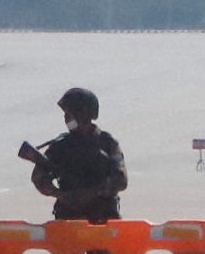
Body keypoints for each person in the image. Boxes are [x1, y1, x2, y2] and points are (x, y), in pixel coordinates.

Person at [22, 86, 127, 222]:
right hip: (68, 218)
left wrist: (92, 192)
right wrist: (61, 195)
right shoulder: (60, 146)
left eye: (69, 115)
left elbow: (121, 180)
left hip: (104, 217)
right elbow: (39, 178)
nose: (66, 119)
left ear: (83, 115)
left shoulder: (107, 143)